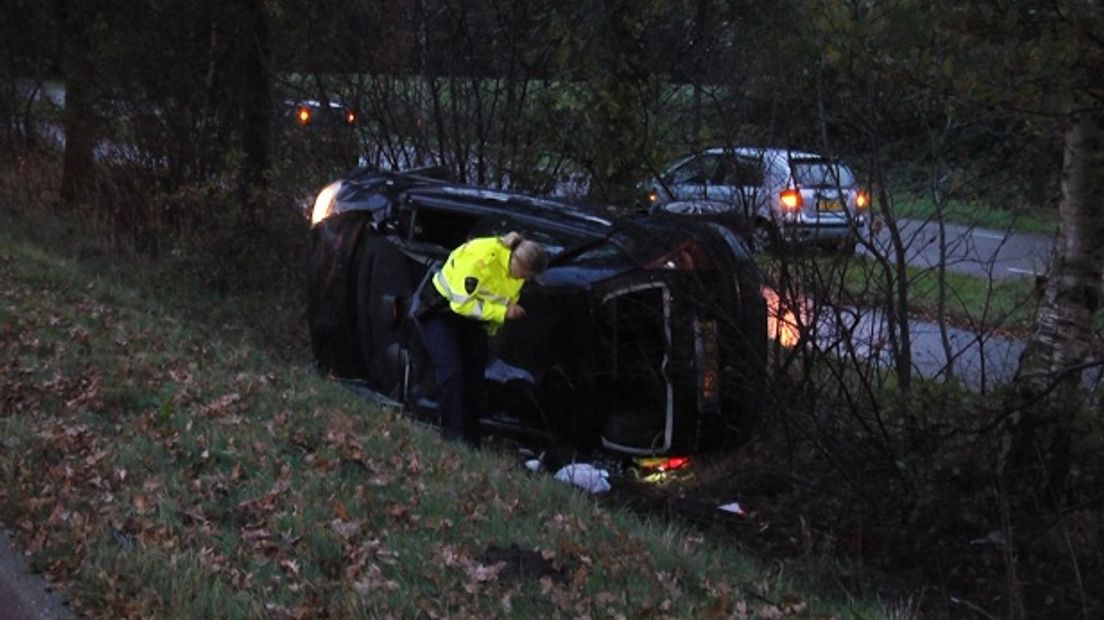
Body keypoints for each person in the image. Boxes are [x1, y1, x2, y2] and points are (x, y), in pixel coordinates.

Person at [415, 232, 547, 448]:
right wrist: (502, 313)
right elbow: (462, 304)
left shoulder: (515, 273)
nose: (524, 280)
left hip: (474, 321)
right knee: (452, 374)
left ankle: (471, 441)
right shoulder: (481, 258)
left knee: (474, 381)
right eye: (525, 274)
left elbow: (501, 299)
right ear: (516, 261)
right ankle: (452, 439)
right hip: (440, 311)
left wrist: (492, 330)